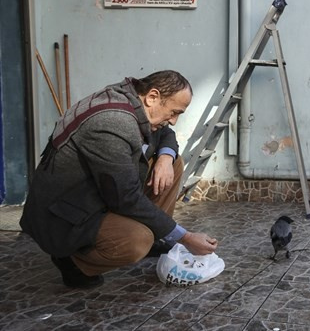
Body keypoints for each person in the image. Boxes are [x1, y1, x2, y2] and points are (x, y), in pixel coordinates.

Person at [20, 71, 218, 289]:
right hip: (63, 216)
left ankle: (155, 236)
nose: (173, 120)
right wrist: (186, 237)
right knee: (136, 241)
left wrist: (165, 157)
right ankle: (74, 261)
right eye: (174, 112)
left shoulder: (134, 101)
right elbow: (126, 198)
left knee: (174, 163)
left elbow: (166, 135)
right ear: (152, 97)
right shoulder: (113, 122)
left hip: (94, 195)